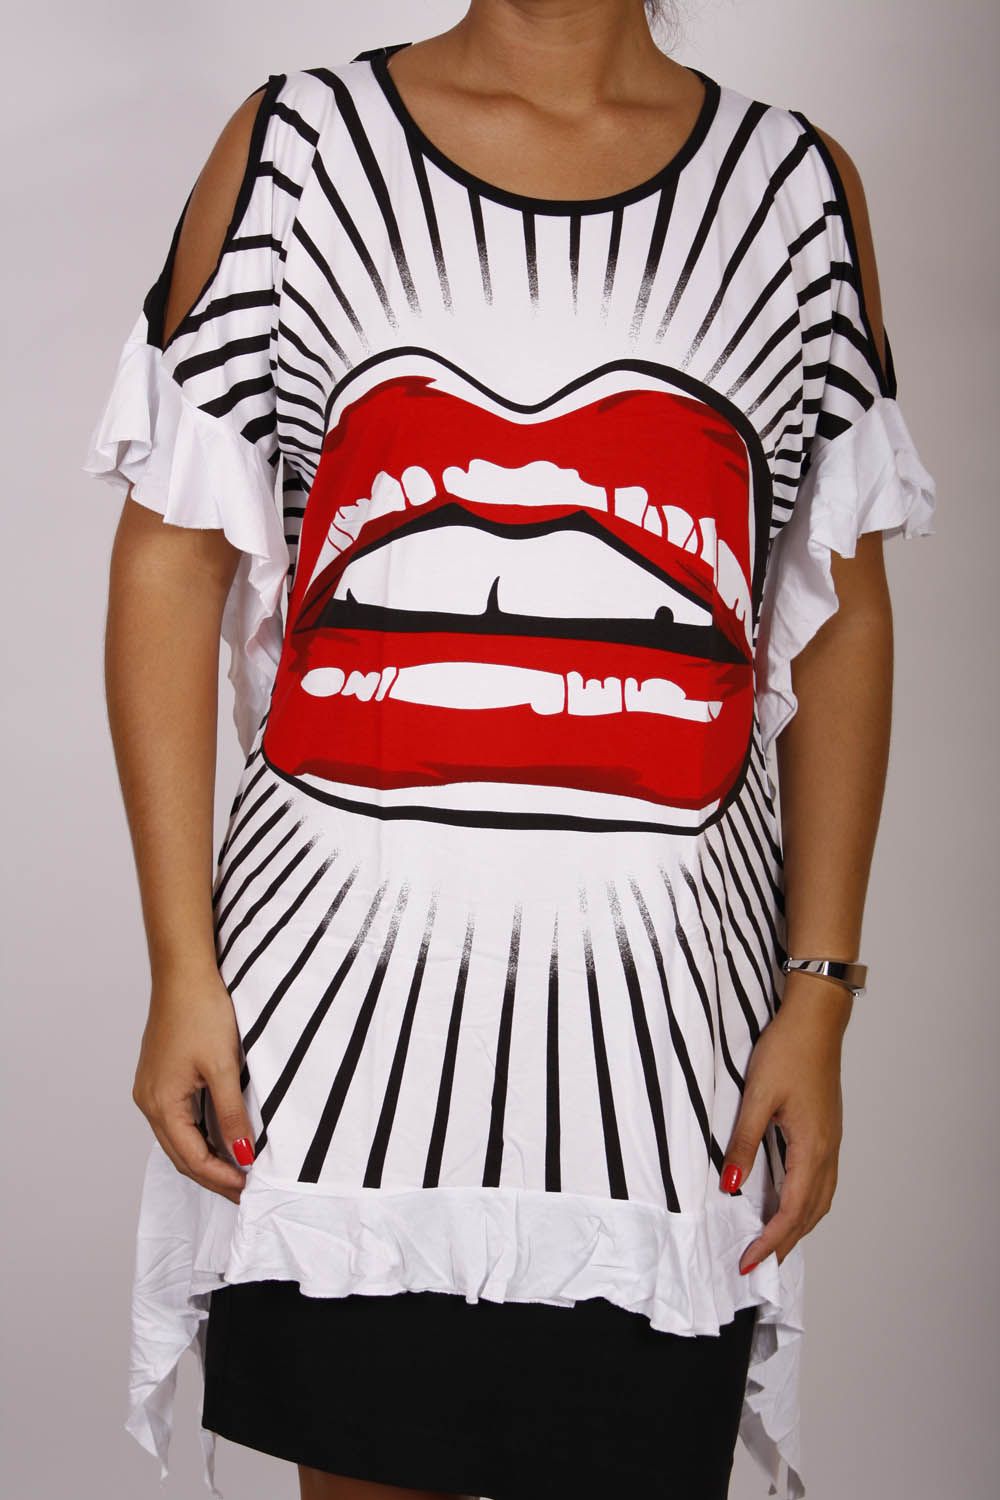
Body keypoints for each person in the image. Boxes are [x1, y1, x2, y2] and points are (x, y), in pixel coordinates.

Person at [82, 3, 937, 1498]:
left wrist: (819, 996)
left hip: (671, 1055)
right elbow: (170, 560)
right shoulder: (296, 151)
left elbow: (838, 611)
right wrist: (179, 965)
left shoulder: (795, 189)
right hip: (331, 1047)